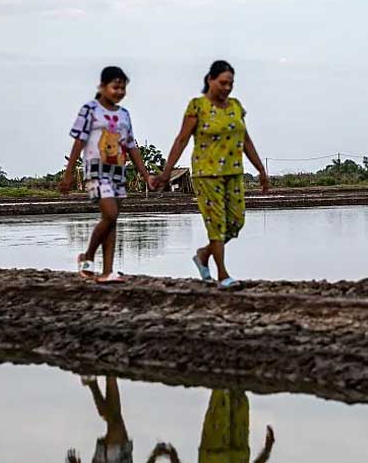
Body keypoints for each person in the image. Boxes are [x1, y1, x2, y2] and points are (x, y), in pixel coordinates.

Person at [156, 60, 270, 290]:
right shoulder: (197, 106)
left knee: (235, 222)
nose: (227, 87)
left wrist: (260, 169)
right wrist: (167, 172)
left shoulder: (236, 106)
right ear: (210, 80)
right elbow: (181, 139)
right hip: (206, 174)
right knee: (216, 224)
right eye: (222, 83)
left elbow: (245, 139)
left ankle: (204, 254)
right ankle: (222, 275)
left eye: (231, 83)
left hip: (233, 172)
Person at [60, 66, 154, 284]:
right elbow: (79, 141)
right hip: (96, 172)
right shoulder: (90, 110)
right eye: (115, 86)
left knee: (111, 220)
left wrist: (146, 175)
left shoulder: (124, 115)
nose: (119, 91)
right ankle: (88, 256)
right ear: (102, 87)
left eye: (123, 87)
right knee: (110, 215)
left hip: (118, 172)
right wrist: (68, 174)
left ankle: (108, 271)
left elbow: (131, 146)